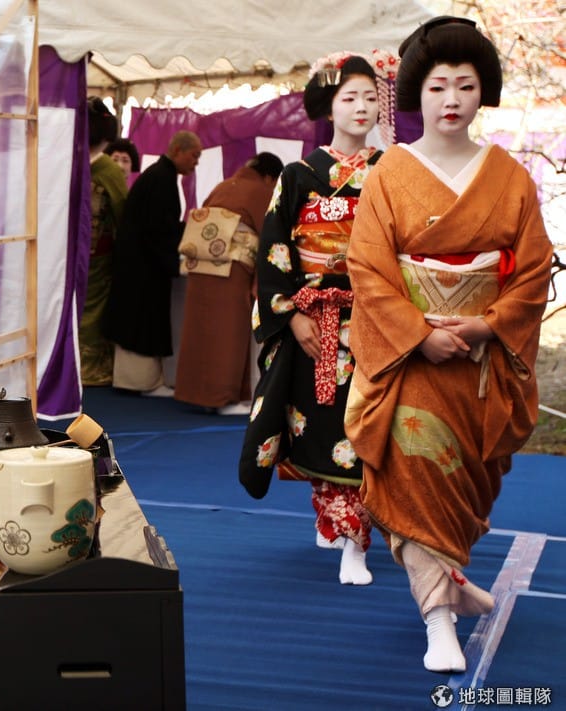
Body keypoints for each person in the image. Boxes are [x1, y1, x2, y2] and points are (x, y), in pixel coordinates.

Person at [345, 17, 552, 673]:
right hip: (413, 360)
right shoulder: (390, 173)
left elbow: (534, 268)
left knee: (464, 488)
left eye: (465, 85)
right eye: (438, 86)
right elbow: (368, 268)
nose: (452, 99)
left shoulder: (509, 175)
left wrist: (489, 325)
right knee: (413, 475)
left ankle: (451, 580)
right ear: (418, 93)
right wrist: (418, 335)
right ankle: (438, 618)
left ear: (482, 90)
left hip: (482, 360)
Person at [238, 52, 397, 586]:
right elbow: (275, 249)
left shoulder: (389, 171)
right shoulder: (299, 174)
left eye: (370, 97)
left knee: (363, 429)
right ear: (329, 107)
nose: (361, 107)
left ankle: (356, 541)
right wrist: (289, 317)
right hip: (315, 320)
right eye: (349, 97)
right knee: (319, 424)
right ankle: (334, 519)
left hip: (374, 316)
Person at [174, 152, 283, 415]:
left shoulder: (222, 186)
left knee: (199, 329)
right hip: (233, 268)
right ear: (270, 178)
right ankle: (222, 398)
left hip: (201, 266)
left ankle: (194, 393)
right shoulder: (261, 191)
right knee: (228, 332)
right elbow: (269, 236)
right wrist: (261, 280)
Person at [104, 130, 202, 397]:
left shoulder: (161, 175)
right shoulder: (161, 178)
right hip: (143, 266)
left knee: (140, 320)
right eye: (194, 156)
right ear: (178, 151)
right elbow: (159, 229)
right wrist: (188, 237)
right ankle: (142, 382)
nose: (196, 163)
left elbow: (161, 225)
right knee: (142, 321)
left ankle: (144, 381)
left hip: (139, 262)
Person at [80, 97, 128, 386]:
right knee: (94, 308)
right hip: (99, 250)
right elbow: (123, 210)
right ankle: (91, 368)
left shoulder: (68, 161)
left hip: (67, 249)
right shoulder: (108, 169)